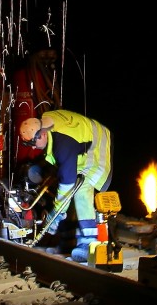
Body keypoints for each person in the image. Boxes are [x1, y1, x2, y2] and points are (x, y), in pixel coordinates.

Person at [19, 109, 113, 262]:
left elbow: (67, 184)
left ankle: (88, 245)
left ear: (42, 134)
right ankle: (66, 244)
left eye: (32, 143)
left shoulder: (63, 145)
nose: (33, 148)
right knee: (62, 193)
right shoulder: (44, 124)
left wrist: (56, 212)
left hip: (97, 146)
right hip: (79, 141)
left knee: (80, 191)